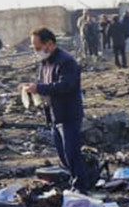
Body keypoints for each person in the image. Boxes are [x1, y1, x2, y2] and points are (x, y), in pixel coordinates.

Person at [21, 28, 87, 191]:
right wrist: (32, 87)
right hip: (54, 115)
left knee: (72, 153)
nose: (36, 51)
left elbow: (66, 85)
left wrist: (39, 88)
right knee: (63, 155)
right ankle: (74, 182)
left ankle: (81, 187)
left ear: (49, 44)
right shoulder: (45, 62)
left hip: (68, 114)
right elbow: (44, 83)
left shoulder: (66, 61)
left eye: (37, 47)